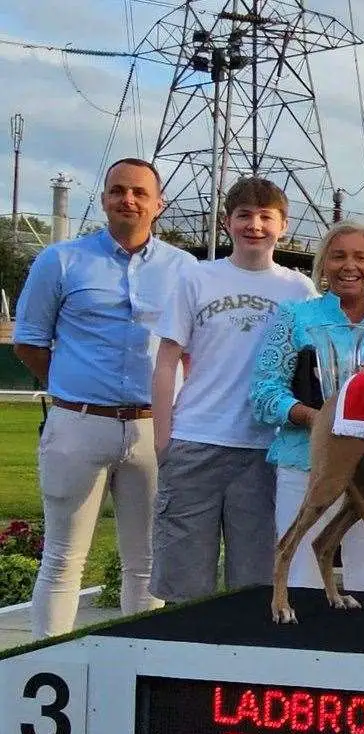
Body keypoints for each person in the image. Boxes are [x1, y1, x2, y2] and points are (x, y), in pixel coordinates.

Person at [12, 158, 196, 637]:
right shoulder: (61, 260)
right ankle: (47, 665)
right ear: (104, 198)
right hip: (78, 425)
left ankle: (140, 673)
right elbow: (29, 341)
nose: (128, 200)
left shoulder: (185, 269)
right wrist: (76, 389)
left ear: (159, 204)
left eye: (139, 192)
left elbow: (195, 350)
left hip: (154, 428)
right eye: (118, 190)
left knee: (146, 562)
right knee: (62, 559)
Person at [148, 177, 315, 603]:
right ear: (227, 222)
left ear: (283, 224)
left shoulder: (298, 289)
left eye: (265, 216)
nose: (254, 225)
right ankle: (183, 668)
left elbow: (337, 340)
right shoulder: (197, 278)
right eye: (244, 215)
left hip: (265, 451)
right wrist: (163, 440)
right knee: (184, 587)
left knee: (254, 586)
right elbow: (167, 360)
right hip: (195, 442)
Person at [250, 221, 364, 592]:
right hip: (306, 462)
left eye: (360, 257)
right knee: (301, 581)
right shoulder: (295, 317)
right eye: (338, 256)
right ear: (323, 265)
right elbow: (263, 392)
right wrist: (315, 417)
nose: (349, 266)